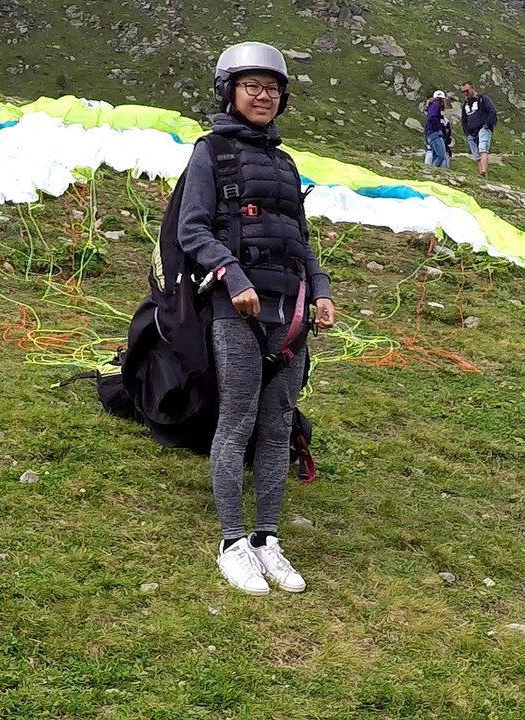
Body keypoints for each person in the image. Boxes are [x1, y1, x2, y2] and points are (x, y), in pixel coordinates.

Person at [177, 41, 336, 596]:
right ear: (230, 91)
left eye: (272, 88)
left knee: (277, 425)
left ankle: (267, 539)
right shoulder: (211, 153)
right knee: (237, 420)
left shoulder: (286, 164)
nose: (263, 95)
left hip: (289, 314)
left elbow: (301, 242)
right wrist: (234, 279)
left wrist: (321, 291)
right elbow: (192, 229)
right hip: (235, 309)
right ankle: (231, 543)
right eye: (253, 86)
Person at [460, 82, 497, 177]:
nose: (465, 93)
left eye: (466, 90)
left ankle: (483, 171)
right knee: (476, 154)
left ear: (472, 88)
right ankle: (481, 173)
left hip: (483, 128)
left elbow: (492, 111)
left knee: (483, 148)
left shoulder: (482, 99)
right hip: (471, 132)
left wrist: (488, 124)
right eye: (463, 92)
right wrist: (466, 132)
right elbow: (463, 119)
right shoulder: (465, 104)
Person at [424, 90, 450, 168]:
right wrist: (438, 129)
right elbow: (432, 118)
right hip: (435, 134)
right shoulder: (435, 105)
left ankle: (432, 170)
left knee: (435, 156)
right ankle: (433, 169)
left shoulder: (433, 107)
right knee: (441, 156)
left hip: (431, 134)